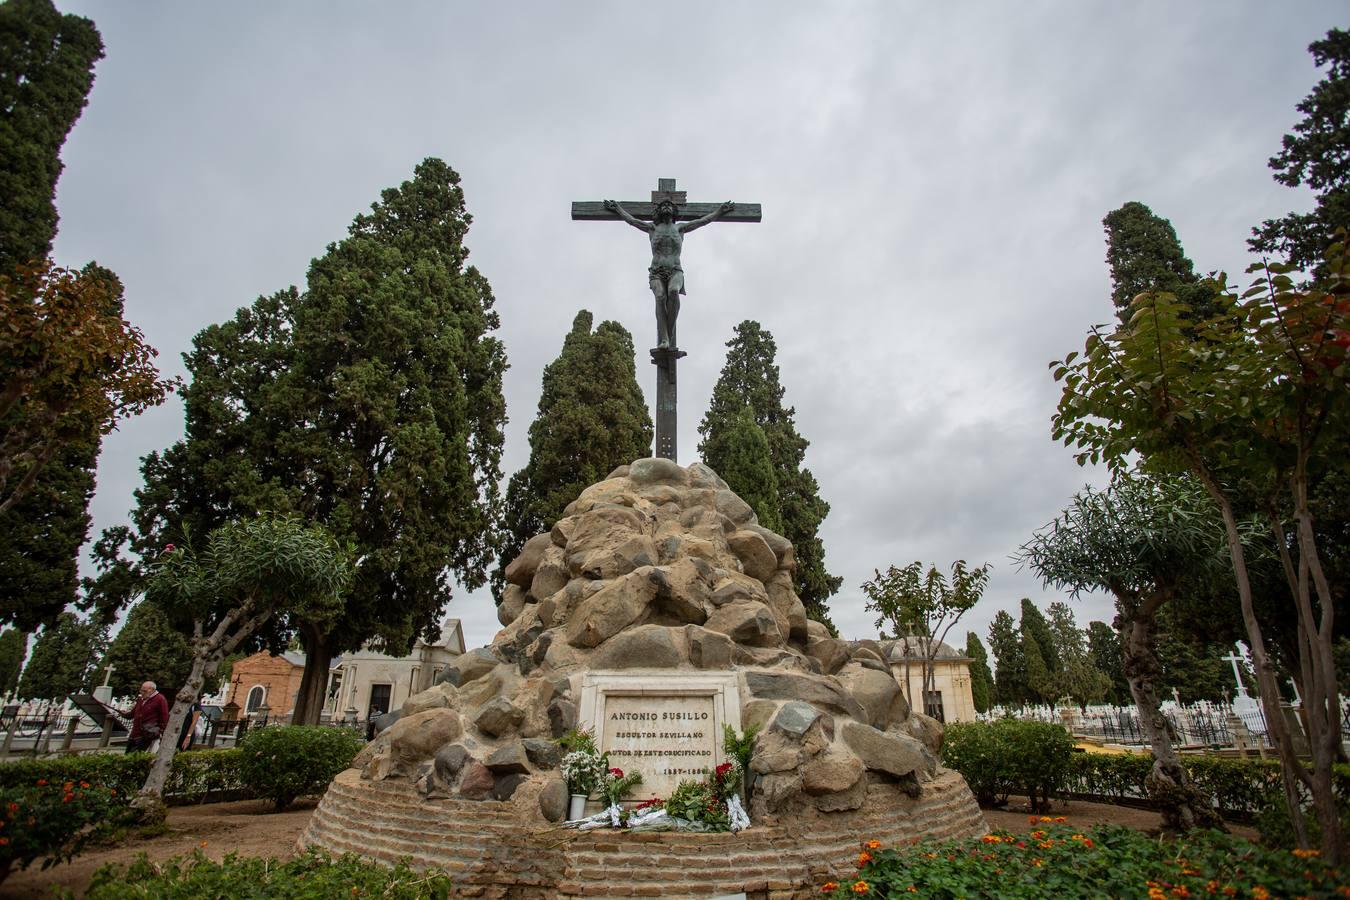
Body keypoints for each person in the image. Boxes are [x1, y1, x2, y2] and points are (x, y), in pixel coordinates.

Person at [603, 198, 736, 349]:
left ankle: (669, 334)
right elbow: (632, 221)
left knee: (673, 291)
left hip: (675, 270)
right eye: (663, 205)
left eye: (669, 205)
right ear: (659, 211)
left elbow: (703, 221)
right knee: (660, 296)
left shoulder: (680, 228)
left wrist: (720, 211)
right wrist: (618, 209)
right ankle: (665, 338)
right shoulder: (652, 228)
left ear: (674, 211)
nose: (666, 207)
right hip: (656, 271)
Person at [126, 680, 169, 753]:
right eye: (141, 690)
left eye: (144, 691)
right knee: (128, 755)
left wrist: (159, 731)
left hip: (147, 734)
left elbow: (164, 717)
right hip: (134, 734)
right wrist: (122, 713)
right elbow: (132, 713)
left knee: (137, 757)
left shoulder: (160, 699)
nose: (142, 693)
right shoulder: (141, 699)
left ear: (152, 690)